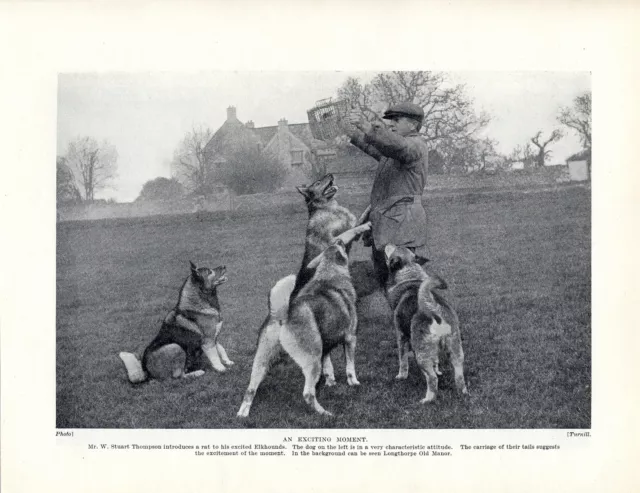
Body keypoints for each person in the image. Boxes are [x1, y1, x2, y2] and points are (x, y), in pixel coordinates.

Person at [343, 102, 429, 285]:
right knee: (385, 278)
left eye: (396, 120)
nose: (391, 124)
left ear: (413, 124)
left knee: (404, 280)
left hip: (402, 226)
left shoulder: (415, 145)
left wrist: (366, 126)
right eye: (390, 121)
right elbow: (375, 146)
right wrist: (350, 131)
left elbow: (395, 145)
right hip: (388, 224)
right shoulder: (394, 150)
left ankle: (415, 312)